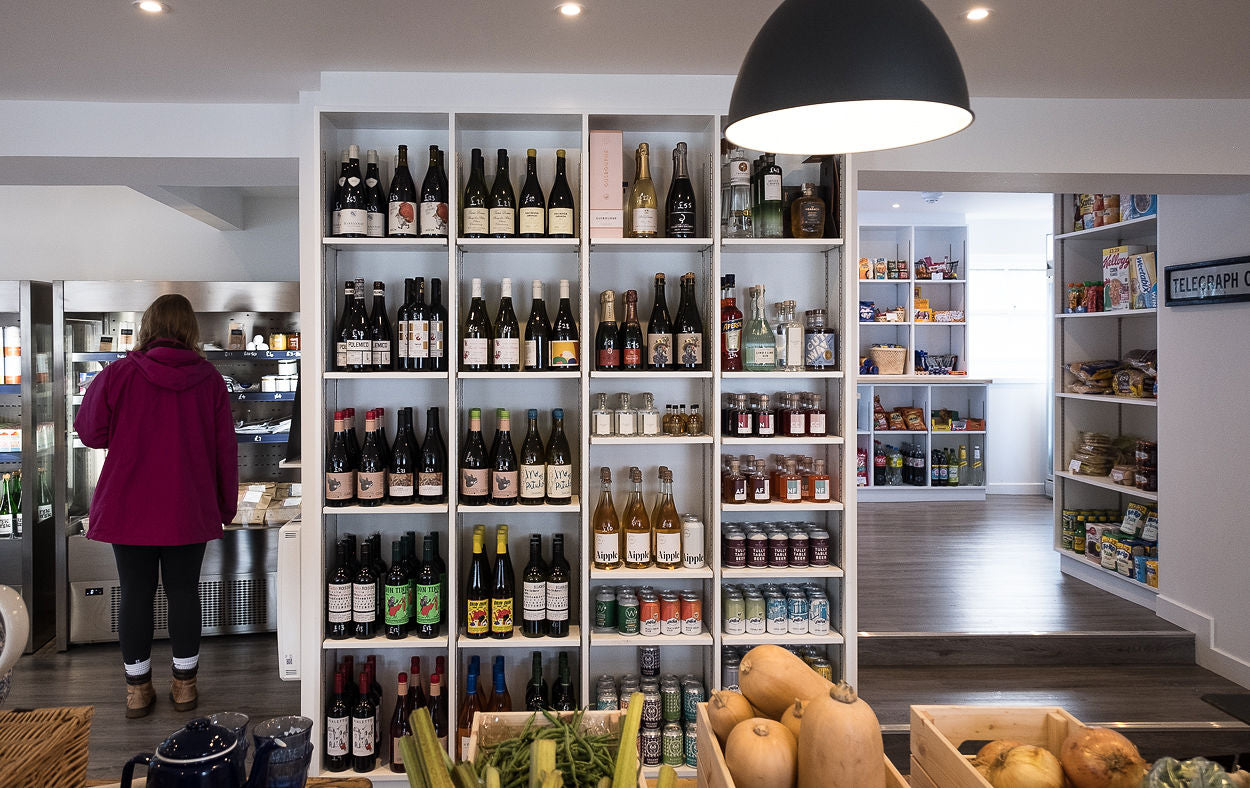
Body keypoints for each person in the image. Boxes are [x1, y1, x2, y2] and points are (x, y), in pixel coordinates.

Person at [74, 294, 237, 718]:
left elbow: (90, 432)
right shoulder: (210, 380)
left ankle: (138, 689)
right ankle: (184, 686)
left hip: (129, 504)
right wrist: (225, 505)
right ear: (190, 330)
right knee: (184, 593)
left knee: (135, 593)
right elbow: (225, 451)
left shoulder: (118, 375)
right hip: (188, 504)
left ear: (147, 327)